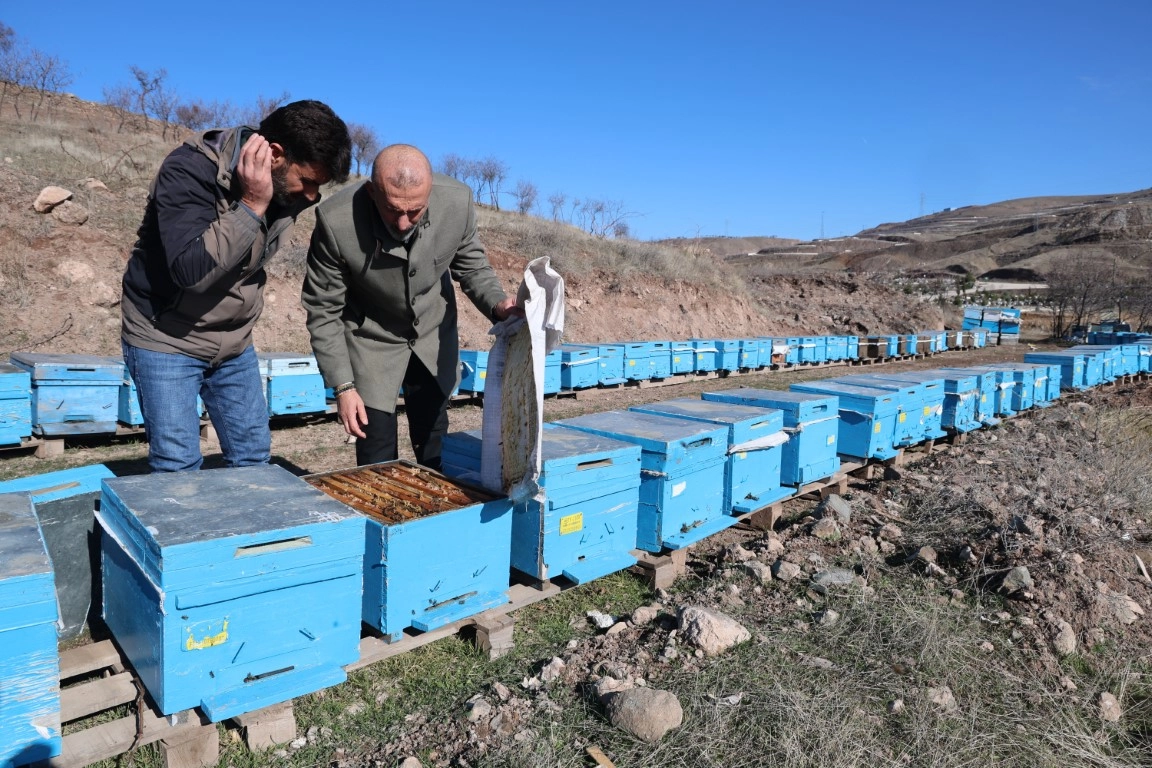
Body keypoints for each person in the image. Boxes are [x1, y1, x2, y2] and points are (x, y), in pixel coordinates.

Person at [121, 100, 351, 472]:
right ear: (274, 154)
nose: (311, 196)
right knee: (177, 466)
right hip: (166, 336)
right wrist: (250, 205)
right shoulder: (189, 170)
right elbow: (190, 272)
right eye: (308, 181)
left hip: (234, 343)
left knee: (253, 458)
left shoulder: (284, 193)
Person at [302, 144, 519, 469]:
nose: (403, 223)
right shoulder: (336, 222)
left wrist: (500, 305)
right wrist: (343, 386)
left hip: (432, 336)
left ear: (430, 193)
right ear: (371, 191)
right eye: (392, 210)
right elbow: (323, 310)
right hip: (370, 340)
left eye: (415, 212)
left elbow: (472, 266)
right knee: (374, 453)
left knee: (436, 446)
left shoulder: (457, 202)